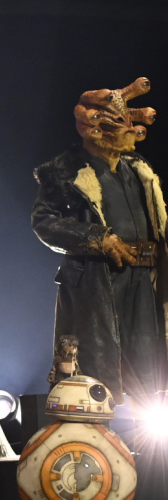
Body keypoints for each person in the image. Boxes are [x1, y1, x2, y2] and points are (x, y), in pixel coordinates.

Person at [32, 78, 166, 409]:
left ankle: (149, 457)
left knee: (148, 373)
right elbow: (44, 222)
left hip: (143, 286)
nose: (132, 131)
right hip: (97, 285)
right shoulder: (65, 173)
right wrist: (98, 239)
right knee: (98, 373)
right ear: (96, 128)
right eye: (123, 124)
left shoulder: (139, 170)